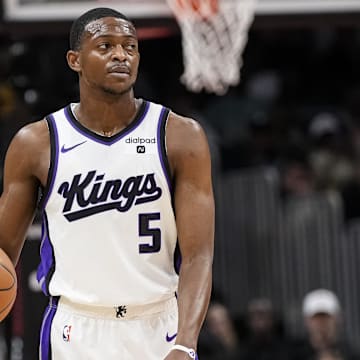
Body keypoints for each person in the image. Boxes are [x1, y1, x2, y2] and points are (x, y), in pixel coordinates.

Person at [0, 7, 214, 360]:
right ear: (75, 60)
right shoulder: (37, 143)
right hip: (75, 330)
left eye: (130, 47)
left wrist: (186, 344)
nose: (121, 55)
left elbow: (199, 255)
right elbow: (4, 250)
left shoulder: (179, 136)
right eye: (106, 45)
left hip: (158, 326)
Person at [291, 289, 360, 360]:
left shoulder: (350, 353)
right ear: (306, 321)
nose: (321, 324)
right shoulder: (293, 353)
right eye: (317, 318)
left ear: (337, 319)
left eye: (326, 318)